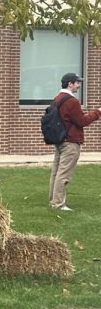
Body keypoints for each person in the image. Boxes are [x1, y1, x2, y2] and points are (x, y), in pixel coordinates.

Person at [49, 72, 100, 211]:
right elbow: (82, 121)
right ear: (70, 84)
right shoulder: (72, 101)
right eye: (77, 82)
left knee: (56, 171)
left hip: (59, 140)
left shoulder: (57, 98)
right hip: (70, 141)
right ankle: (58, 204)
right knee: (64, 174)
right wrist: (98, 112)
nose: (79, 85)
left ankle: (53, 200)